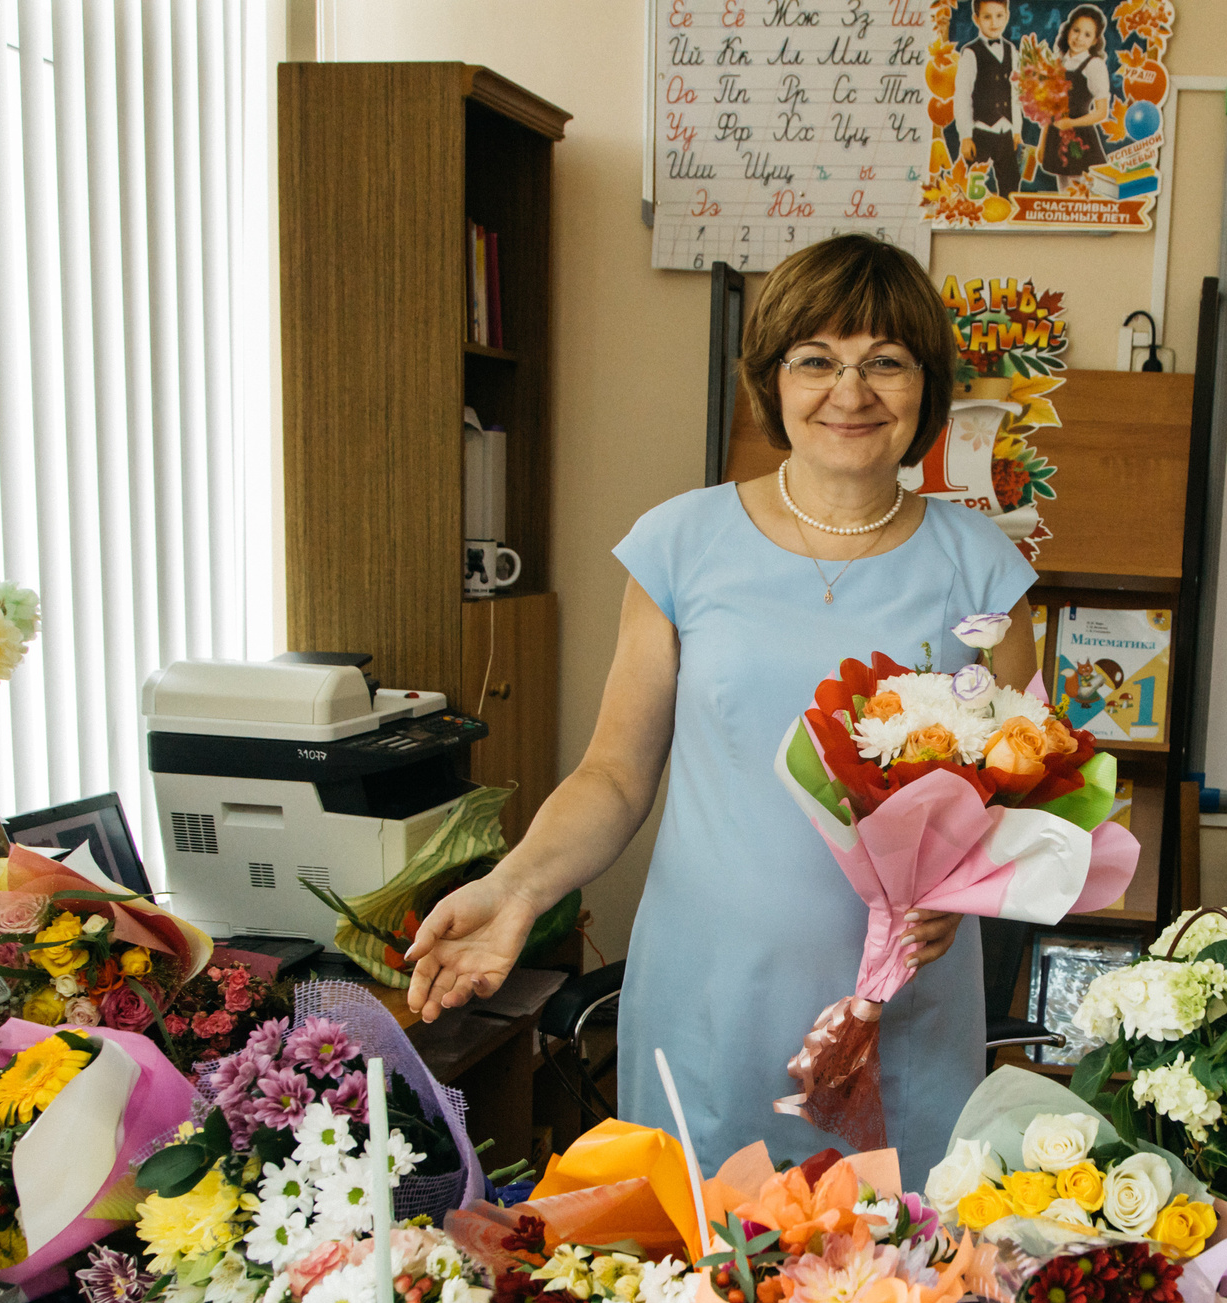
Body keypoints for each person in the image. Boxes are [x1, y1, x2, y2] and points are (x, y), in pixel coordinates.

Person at [403, 235, 1037, 1179]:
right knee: (694, 1289)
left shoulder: (983, 567)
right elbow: (615, 776)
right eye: (816, 359)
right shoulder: (682, 544)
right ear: (772, 380)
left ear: (925, 387)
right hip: (708, 997)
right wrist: (518, 887)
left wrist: (961, 884)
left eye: (886, 363)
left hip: (900, 1010)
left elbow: (1021, 791)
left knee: (894, 1294)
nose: (850, 391)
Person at [951, 0, 1022, 201]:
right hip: (981, 131)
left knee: (1011, 183)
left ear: (1007, 16)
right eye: (987, 17)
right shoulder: (971, 52)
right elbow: (962, 95)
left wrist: (1017, 129)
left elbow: (1015, 92)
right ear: (976, 19)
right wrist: (965, 135)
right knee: (971, 184)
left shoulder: (1011, 50)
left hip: (1006, 132)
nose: (994, 22)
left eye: (999, 16)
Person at [1043, 4, 1111, 193]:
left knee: (1084, 195)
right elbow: (1050, 109)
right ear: (1068, 30)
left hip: (1081, 139)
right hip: (1055, 136)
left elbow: (1101, 112)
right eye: (1076, 30)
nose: (1079, 38)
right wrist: (1041, 144)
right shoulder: (1059, 61)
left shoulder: (1094, 65)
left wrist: (1071, 122)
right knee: (1064, 192)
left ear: (1095, 40)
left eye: (1087, 35)